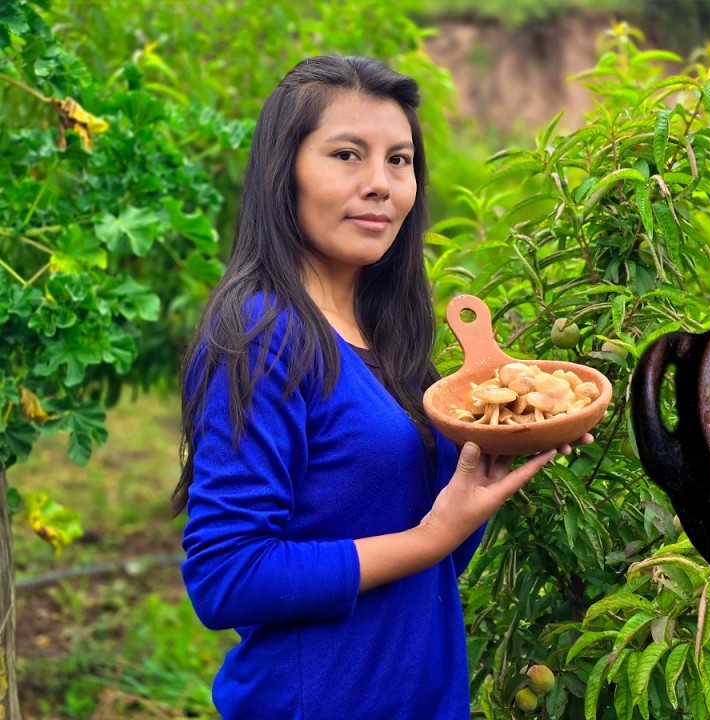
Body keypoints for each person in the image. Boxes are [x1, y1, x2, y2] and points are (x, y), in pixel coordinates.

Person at [172, 55, 586, 719]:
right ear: (283, 170)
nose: (380, 185)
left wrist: (486, 461)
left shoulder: (391, 339)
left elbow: (426, 567)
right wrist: (431, 537)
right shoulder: (262, 333)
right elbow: (227, 576)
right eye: (346, 155)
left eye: (399, 160)